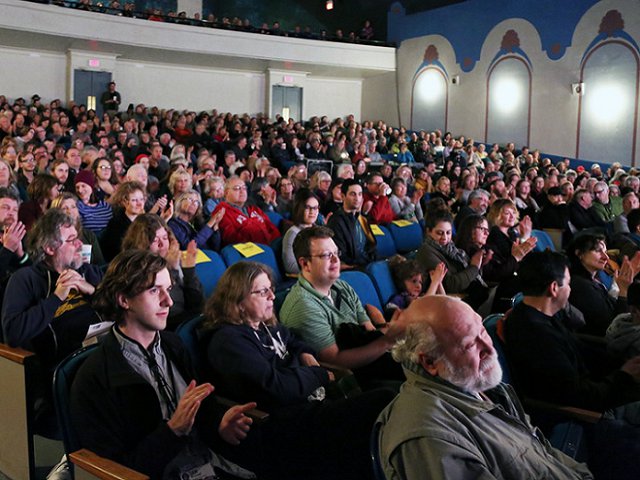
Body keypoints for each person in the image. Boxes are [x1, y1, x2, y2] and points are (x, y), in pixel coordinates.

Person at [70, 250, 257, 480]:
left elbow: (202, 408)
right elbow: (116, 469)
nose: (168, 301)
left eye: (167, 289)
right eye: (153, 290)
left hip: (208, 462)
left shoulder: (173, 345)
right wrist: (172, 431)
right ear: (123, 300)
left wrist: (219, 422)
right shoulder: (96, 377)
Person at [202, 261, 396, 480]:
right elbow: (276, 387)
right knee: (382, 401)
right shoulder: (228, 341)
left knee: (378, 414)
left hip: (305, 402)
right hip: (279, 422)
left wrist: (304, 352)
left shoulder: (264, 323)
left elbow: (293, 340)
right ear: (238, 300)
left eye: (271, 289)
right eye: (262, 292)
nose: (272, 297)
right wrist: (319, 375)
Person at [376, 295, 593, 480]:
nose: (489, 348)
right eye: (470, 344)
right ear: (431, 362)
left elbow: (538, 449)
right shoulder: (429, 439)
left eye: (483, 332)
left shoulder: (478, 384)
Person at [505, 251, 640, 479]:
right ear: (554, 288)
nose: (571, 289)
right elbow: (575, 394)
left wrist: (625, 364)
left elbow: (581, 352)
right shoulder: (534, 333)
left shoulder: (543, 316)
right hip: (579, 418)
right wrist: (624, 377)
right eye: (568, 283)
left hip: (598, 395)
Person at [280, 226, 405, 389]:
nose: (336, 260)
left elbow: (368, 330)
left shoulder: (342, 286)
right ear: (305, 264)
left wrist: (388, 337)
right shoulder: (303, 306)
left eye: (336, 253)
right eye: (326, 255)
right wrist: (387, 341)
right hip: (352, 380)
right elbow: (335, 361)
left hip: (373, 360)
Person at [122, 214, 204, 329]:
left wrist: (188, 270)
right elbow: (172, 311)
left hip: (188, 321)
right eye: (155, 240)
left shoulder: (172, 258)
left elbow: (196, 302)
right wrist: (174, 270)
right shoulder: (137, 270)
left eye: (165, 238)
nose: (162, 245)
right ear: (141, 244)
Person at [416, 213, 488, 309]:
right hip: (445, 299)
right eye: (439, 233)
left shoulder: (449, 248)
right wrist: (474, 267)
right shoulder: (426, 252)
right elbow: (451, 285)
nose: (445, 238)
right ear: (429, 231)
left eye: (448, 233)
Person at [567, 233, 634, 336]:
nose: (606, 257)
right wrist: (624, 291)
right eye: (598, 251)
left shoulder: (593, 280)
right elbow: (614, 327)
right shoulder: (581, 286)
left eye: (605, 252)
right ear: (579, 253)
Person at [212, 176, 280, 247]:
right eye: (237, 188)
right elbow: (231, 238)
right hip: (250, 251)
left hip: (271, 247)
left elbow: (272, 228)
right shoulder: (222, 211)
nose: (242, 191)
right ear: (226, 193)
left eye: (244, 188)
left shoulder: (253, 208)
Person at [326, 179, 377, 268]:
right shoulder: (336, 221)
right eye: (353, 194)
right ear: (343, 196)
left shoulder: (362, 219)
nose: (357, 198)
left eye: (360, 194)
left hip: (369, 263)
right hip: (354, 267)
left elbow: (371, 245)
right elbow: (341, 254)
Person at [51, 193, 105, 265]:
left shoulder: (88, 235)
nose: (70, 211)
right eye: (64, 208)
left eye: (73, 207)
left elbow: (101, 263)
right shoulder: (53, 237)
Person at [281, 189, 320, 275]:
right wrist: (317, 270)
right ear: (299, 208)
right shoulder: (292, 233)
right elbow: (290, 266)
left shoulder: (318, 230)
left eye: (315, 208)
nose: (312, 212)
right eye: (307, 207)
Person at [74, 169, 113, 235]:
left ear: (91, 186)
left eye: (83, 186)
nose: (80, 190)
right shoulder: (76, 206)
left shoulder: (105, 206)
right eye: (77, 187)